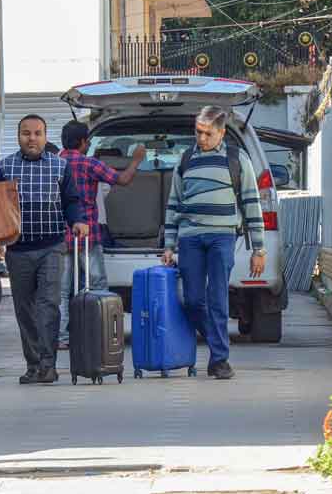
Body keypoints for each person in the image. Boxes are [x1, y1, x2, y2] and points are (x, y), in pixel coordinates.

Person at [161, 105, 267, 380]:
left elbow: (252, 204)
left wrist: (258, 249)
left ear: (221, 132)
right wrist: (169, 245)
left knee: (217, 297)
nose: (202, 138)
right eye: (198, 132)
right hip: (190, 238)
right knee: (193, 299)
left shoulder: (237, 158)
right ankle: (217, 344)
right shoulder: (185, 159)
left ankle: (219, 360)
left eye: (208, 133)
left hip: (223, 236)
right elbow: (173, 204)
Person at [0, 115, 86, 384]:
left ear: (46, 136)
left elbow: (71, 200)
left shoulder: (60, 166)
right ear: (18, 135)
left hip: (52, 247)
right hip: (18, 250)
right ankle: (33, 364)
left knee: (48, 305)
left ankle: (48, 364)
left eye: (37, 133)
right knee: (25, 310)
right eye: (26, 133)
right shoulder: (5, 167)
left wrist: (78, 221)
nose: (31, 138)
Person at [57, 121, 146, 348]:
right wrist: (135, 160)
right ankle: (100, 331)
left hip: (60, 236)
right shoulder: (90, 164)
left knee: (62, 290)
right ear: (83, 142)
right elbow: (123, 180)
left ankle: (62, 338)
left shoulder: (53, 163)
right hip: (88, 236)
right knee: (97, 285)